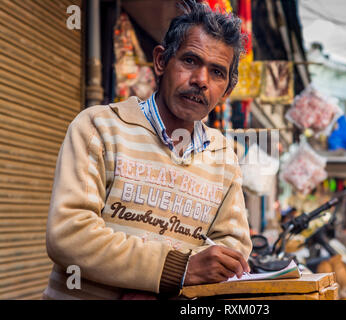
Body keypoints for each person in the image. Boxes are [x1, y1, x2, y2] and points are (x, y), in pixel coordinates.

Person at [42, 0, 252, 300]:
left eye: (217, 72)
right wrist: (173, 271)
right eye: (190, 61)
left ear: (227, 91)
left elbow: (231, 252)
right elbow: (69, 235)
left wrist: (169, 290)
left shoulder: (224, 157)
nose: (201, 81)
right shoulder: (99, 128)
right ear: (161, 61)